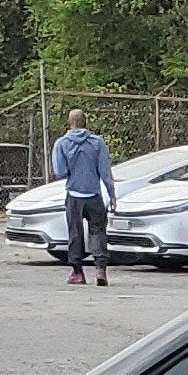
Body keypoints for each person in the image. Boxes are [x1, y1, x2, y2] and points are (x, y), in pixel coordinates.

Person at [51, 119, 116, 286]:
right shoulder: (97, 142)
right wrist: (112, 193)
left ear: (69, 122)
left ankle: (77, 272)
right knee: (98, 232)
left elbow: (60, 172)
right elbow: (105, 170)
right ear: (85, 122)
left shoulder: (61, 143)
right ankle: (100, 269)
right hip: (94, 196)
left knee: (75, 233)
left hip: (74, 196)